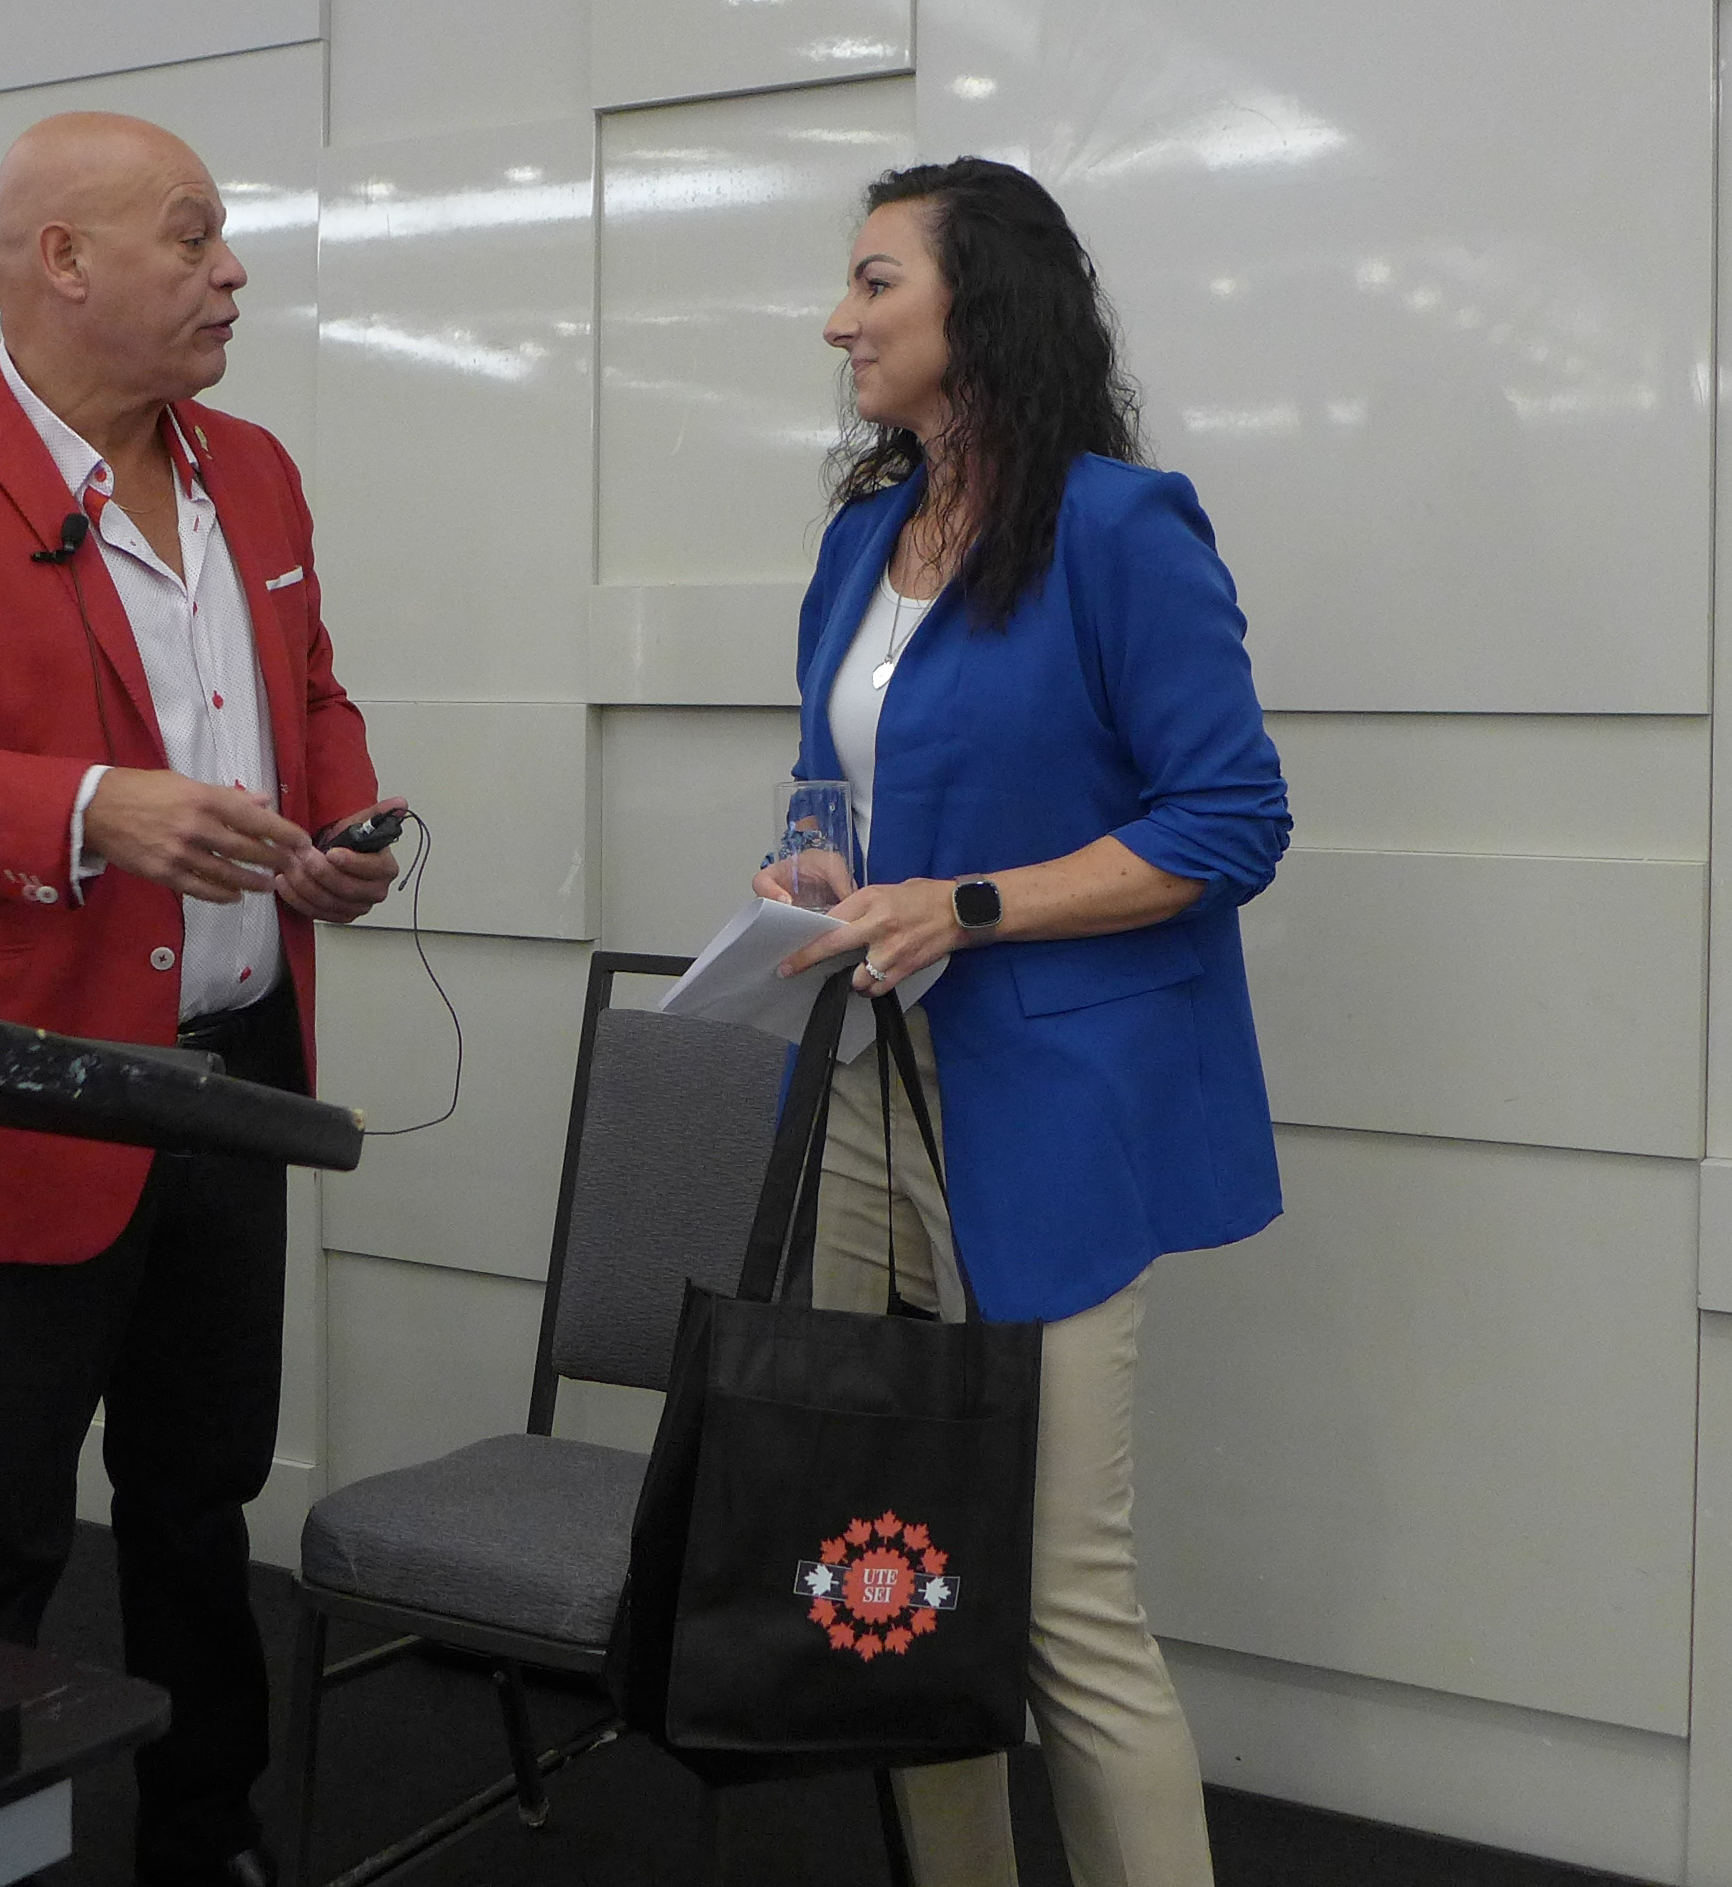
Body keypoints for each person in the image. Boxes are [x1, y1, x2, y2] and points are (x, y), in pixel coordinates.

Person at [0, 112, 399, 1886]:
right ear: (62, 259)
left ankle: (209, 1841)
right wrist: (80, 807)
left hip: (230, 1080)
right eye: (194, 238)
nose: (232, 270)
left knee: (201, 1507)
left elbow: (310, 691)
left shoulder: (254, 472)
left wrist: (344, 827)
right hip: (19, 1096)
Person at [755, 158, 1289, 1887]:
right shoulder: (860, 535)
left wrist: (969, 902)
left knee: (1062, 1591)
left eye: (872, 283)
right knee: (888, 1556)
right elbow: (842, 780)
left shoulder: (1124, 527)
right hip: (863, 1088)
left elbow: (1227, 823)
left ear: (979, 304)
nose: (838, 319)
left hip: (1051, 1102)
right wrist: (817, 861)